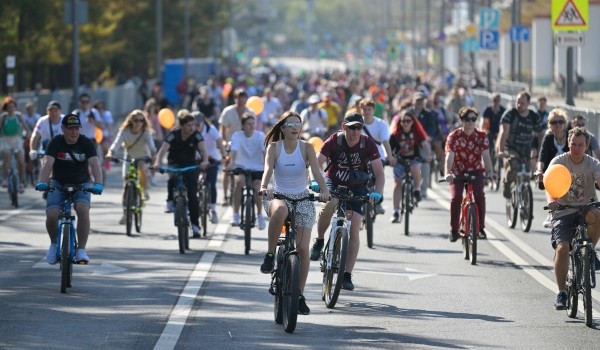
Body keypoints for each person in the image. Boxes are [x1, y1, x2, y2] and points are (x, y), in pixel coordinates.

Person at [259, 111, 330, 315]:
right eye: (290, 124)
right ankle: (270, 254)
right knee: (280, 210)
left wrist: (324, 191)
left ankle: (298, 295)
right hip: (279, 195)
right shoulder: (274, 147)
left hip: (302, 198)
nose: (294, 127)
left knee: (303, 249)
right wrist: (265, 187)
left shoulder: (307, 147)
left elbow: (316, 172)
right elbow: (267, 170)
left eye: (298, 124)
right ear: (282, 128)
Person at [309, 112, 384, 291]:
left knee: (355, 228)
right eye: (352, 128)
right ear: (344, 127)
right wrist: (315, 182)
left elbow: (380, 173)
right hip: (333, 182)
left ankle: (347, 274)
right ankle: (319, 240)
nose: (356, 131)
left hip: (357, 186)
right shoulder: (335, 140)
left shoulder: (368, 144)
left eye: (359, 127)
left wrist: (377, 194)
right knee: (329, 205)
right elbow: (317, 164)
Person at [34, 113, 103, 264]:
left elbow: (95, 165)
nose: (74, 132)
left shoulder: (86, 143)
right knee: (52, 214)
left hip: (82, 183)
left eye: (77, 128)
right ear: (63, 129)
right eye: (70, 128)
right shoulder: (56, 142)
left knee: (83, 209)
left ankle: (82, 250)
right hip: (58, 183)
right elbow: (47, 164)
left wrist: (98, 183)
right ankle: (53, 244)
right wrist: (42, 182)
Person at [546, 127, 600, 310]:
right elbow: (549, 184)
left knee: (597, 216)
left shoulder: (592, 163)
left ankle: (590, 252)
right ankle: (561, 292)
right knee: (563, 248)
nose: (576, 148)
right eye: (573, 144)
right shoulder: (559, 162)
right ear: (568, 144)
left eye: (580, 145)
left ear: (586, 146)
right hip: (564, 209)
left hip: (586, 207)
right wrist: (552, 201)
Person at [153, 110, 209, 237]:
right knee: (172, 178)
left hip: (190, 165)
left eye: (193, 125)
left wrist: (205, 161)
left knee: (192, 196)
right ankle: (171, 201)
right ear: (182, 125)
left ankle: (195, 226)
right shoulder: (173, 135)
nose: (192, 128)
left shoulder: (197, 135)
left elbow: (203, 149)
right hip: (175, 164)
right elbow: (163, 150)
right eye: (189, 125)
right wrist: (157, 162)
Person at [444, 107, 494, 242]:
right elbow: (449, 157)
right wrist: (447, 173)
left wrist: (489, 172)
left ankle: (481, 228)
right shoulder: (453, 136)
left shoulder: (482, 136)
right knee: (456, 198)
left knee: (479, 196)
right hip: (458, 173)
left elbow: (486, 156)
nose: (471, 122)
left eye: (473, 119)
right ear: (462, 121)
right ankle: (454, 229)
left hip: (476, 171)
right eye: (467, 119)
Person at [106, 109, 156, 224]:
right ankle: (125, 213)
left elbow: (152, 146)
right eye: (136, 120)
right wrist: (110, 153)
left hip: (142, 156)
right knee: (126, 184)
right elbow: (116, 143)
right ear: (131, 121)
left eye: (141, 120)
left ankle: (144, 189)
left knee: (143, 168)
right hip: (128, 157)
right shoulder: (125, 131)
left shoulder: (145, 132)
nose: (139, 123)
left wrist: (154, 155)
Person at [496, 91, 545, 199]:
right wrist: (501, 150)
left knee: (528, 173)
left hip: (527, 149)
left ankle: (525, 206)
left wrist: (541, 152)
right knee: (514, 165)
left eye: (522, 103)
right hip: (512, 148)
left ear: (528, 104)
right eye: (518, 102)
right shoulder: (510, 114)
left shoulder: (534, 116)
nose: (519, 105)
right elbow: (504, 133)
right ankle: (507, 184)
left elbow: (541, 134)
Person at [224, 113, 266, 229]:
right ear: (243, 125)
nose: (251, 126)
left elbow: (265, 152)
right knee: (239, 183)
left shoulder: (260, 136)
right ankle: (236, 214)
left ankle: (259, 215)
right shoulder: (237, 136)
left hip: (257, 166)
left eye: (253, 124)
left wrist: (269, 165)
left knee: (258, 188)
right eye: (248, 124)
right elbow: (234, 151)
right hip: (240, 165)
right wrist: (231, 163)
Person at [388, 109, 431, 223]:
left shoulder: (417, 133)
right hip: (400, 161)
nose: (406, 123)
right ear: (400, 122)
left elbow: (425, 144)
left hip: (414, 160)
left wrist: (428, 155)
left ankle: (417, 190)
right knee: (397, 184)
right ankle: (396, 211)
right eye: (403, 121)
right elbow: (389, 149)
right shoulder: (395, 135)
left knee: (416, 168)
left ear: (413, 122)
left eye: (408, 121)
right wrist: (390, 157)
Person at [359, 97, 396, 215]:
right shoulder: (357, 124)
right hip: (360, 156)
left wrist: (389, 156)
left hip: (377, 155)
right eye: (364, 109)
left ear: (374, 110)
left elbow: (385, 141)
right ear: (361, 110)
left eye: (369, 109)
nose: (367, 112)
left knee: (379, 176)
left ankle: (378, 201)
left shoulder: (381, 124)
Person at [535, 109, 570, 228]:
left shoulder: (571, 136)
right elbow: (542, 157)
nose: (558, 125)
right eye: (554, 122)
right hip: (552, 173)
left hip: (569, 172)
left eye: (560, 121)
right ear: (550, 124)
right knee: (550, 186)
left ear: (565, 123)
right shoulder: (548, 137)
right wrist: (539, 170)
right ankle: (552, 212)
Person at [219, 88, 254, 205]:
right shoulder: (227, 112)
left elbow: (254, 130)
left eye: (244, 97)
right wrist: (224, 143)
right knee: (227, 169)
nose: (241, 100)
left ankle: (248, 194)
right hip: (230, 144)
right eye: (239, 97)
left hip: (245, 146)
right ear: (235, 99)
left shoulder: (250, 112)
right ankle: (224, 196)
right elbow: (222, 130)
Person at [193, 111, 227, 224]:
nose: (196, 126)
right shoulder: (191, 130)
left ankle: (213, 210)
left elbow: (220, 143)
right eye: (194, 124)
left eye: (198, 124)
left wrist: (223, 156)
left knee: (211, 184)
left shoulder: (211, 129)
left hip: (212, 159)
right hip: (196, 159)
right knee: (192, 184)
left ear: (203, 122)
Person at [1, 97, 31, 191]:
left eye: (13, 107)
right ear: (6, 108)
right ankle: (5, 179)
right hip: (5, 140)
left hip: (17, 140)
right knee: (6, 156)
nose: (11, 109)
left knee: (21, 161)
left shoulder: (18, 116)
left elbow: (26, 127)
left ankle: (21, 183)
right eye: (9, 107)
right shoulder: (3, 117)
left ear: (15, 107)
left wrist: (29, 134)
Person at [481, 92, 506, 157]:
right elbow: (483, 122)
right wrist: (483, 131)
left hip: (499, 132)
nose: (496, 102)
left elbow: (505, 124)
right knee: (490, 147)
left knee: (500, 148)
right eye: (495, 100)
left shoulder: (503, 111)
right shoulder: (488, 110)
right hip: (490, 132)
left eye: (498, 100)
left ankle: (500, 164)